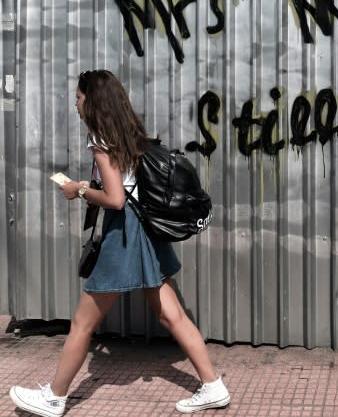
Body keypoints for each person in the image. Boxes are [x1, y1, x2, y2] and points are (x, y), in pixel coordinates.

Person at [8, 70, 230, 416]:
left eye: (79, 98)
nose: (75, 104)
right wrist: (89, 184)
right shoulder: (128, 132)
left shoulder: (99, 137)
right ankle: (213, 386)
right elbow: (125, 187)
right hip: (146, 228)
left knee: (83, 323)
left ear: (93, 102)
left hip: (125, 233)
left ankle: (54, 397)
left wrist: (79, 189)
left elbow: (114, 199)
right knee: (171, 314)